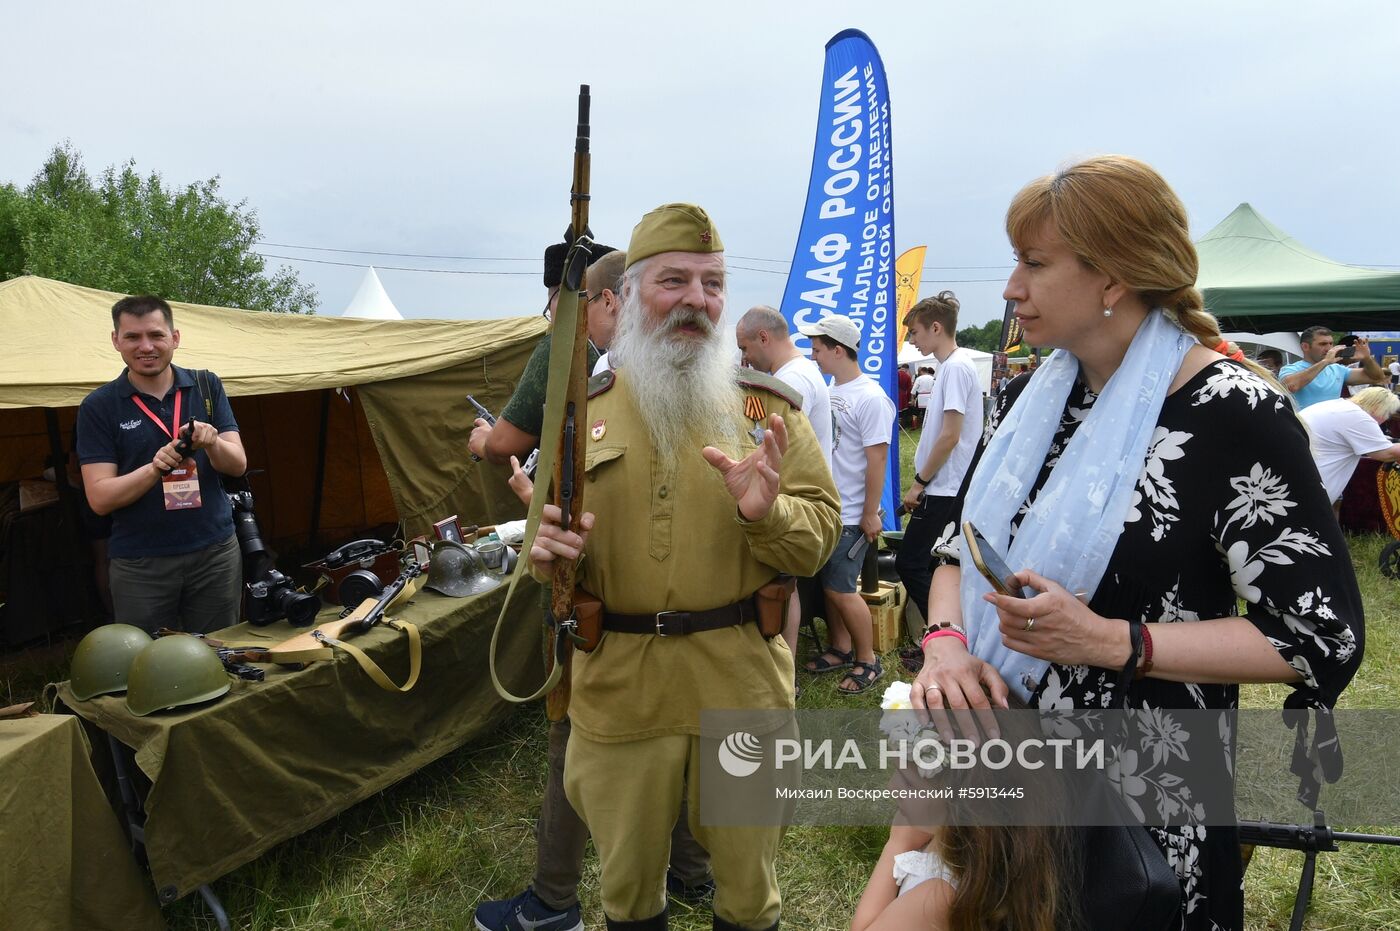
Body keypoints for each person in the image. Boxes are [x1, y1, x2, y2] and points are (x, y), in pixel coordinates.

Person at [912, 156, 1362, 930]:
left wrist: (1112, 641)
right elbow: (960, 548)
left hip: (1136, 811)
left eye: (1033, 263)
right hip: (997, 788)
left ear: (1113, 278)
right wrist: (947, 644)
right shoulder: (1029, 399)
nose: (1010, 288)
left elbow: (1317, 636)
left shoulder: (1233, 413)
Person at [529, 203, 840, 931]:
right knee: (628, 892)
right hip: (621, 693)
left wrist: (768, 514)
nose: (696, 299)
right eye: (674, 280)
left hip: (739, 685)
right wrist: (546, 560)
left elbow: (818, 541)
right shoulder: (581, 414)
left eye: (712, 283)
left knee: (747, 893)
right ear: (630, 294)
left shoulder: (768, 413)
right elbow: (548, 557)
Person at [473, 247, 715, 931]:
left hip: (633, 615)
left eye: (565, 304)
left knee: (580, 743)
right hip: (618, 600)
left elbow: (513, 451)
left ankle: (554, 899)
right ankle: (688, 874)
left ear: (597, 299)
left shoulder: (592, 361)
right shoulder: (621, 375)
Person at [77, 295, 247, 634]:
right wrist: (155, 468)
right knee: (150, 666)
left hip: (215, 553)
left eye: (156, 335)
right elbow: (99, 498)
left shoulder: (206, 385)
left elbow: (238, 465)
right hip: (141, 564)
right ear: (116, 341)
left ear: (175, 338)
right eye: (132, 337)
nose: (146, 346)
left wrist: (212, 441)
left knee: (219, 655)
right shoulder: (99, 406)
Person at [799, 314, 896, 696]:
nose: (814, 356)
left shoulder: (871, 398)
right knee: (829, 585)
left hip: (853, 512)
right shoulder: (830, 390)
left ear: (838, 350)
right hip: (830, 509)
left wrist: (870, 512)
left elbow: (878, 460)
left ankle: (868, 659)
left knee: (842, 588)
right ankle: (840, 648)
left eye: (819, 349)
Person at [735, 305, 835, 666]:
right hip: (790, 493)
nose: (744, 357)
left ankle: (784, 667)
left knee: (782, 589)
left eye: (745, 347)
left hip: (788, 496)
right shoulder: (803, 371)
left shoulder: (789, 383)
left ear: (764, 337)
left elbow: (770, 443)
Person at [469, 240, 620, 465]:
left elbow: (503, 445)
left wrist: (484, 441)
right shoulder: (630, 349)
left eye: (551, 301)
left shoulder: (561, 348)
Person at [896, 292, 982, 624]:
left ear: (935, 328)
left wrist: (919, 483)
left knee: (911, 563)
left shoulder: (957, 367)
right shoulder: (950, 367)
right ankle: (945, 634)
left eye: (915, 332)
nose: (913, 341)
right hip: (943, 485)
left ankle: (946, 634)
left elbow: (950, 435)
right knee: (933, 564)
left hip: (946, 487)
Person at [1299, 386, 1400, 506]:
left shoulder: (1337, 406)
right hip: (1310, 490)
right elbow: (1386, 453)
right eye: (1387, 413)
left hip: (1300, 478)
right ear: (1378, 407)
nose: (1385, 419)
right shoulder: (1358, 416)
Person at [1278, 325, 1386, 409]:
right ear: (1305, 347)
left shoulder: (1337, 369)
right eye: (1323, 344)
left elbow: (1377, 377)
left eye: (1330, 344)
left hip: (1330, 431)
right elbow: (1291, 386)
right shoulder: (1291, 369)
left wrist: (1367, 358)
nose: (1328, 348)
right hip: (1303, 430)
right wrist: (1325, 361)